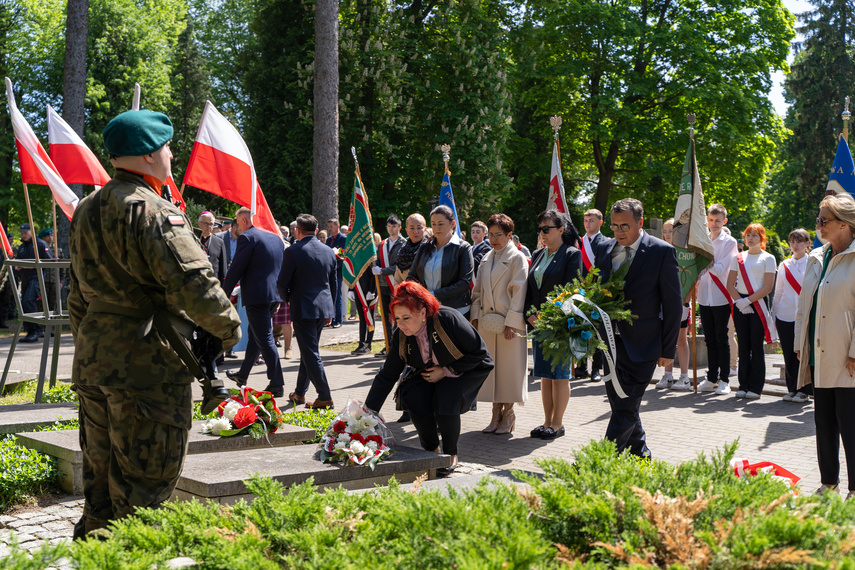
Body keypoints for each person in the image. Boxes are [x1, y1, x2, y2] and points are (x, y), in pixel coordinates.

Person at [67, 109, 241, 539]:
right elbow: (195, 286)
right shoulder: (154, 210)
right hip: (146, 366)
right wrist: (228, 332)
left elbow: (76, 295)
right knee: (143, 493)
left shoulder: (86, 209)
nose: (170, 154)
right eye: (165, 147)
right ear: (147, 156)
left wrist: (94, 344)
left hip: (94, 360)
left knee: (100, 490)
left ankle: (95, 556)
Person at [365, 281, 494, 476]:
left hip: (465, 367)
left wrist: (446, 370)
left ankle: (450, 454)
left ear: (423, 312)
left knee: (446, 396)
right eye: (397, 318)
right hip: (428, 371)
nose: (401, 324)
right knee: (413, 395)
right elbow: (388, 374)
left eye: (406, 317)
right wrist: (368, 412)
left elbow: (480, 354)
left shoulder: (448, 318)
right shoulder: (401, 334)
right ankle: (432, 450)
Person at [592, 198, 682, 458]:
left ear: (640, 223)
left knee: (626, 408)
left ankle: (599, 464)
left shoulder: (661, 252)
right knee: (622, 406)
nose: (619, 232)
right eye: (614, 226)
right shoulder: (604, 249)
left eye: (625, 226)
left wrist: (668, 349)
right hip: (609, 345)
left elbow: (673, 305)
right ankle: (640, 456)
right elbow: (596, 292)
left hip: (643, 344)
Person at [794, 194, 855, 497]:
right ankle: (828, 483)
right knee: (824, 423)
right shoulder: (818, 257)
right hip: (818, 354)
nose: (818, 225)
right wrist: (798, 343)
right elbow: (804, 305)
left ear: (844, 224)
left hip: (847, 357)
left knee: (851, 426)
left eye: (824, 220)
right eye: (818, 219)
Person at [524, 210, 582, 440]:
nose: (542, 233)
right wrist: (530, 314)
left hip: (559, 325)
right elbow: (529, 289)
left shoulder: (571, 254)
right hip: (537, 325)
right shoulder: (538, 254)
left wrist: (548, 317)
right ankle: (547, 421)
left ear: (561, 230)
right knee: (545, 376)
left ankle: (557, 424)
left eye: (546, 229)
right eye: (540, 229)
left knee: (559, 375)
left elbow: (570, 291)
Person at [471, 214, 528, 435]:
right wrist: (475, 317)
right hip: (487, 323)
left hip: (508, 324)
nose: (494, 239)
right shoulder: (486, 258)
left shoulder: (517, 258)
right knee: (492, 370)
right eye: (491, 234)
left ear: (509, 235)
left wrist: (513, 323)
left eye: (499, 235)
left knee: (508, 371)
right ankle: (495, 414)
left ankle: (509, 414)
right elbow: (477, 292)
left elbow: (519, 291)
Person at [223, 207, 286, 397]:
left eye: (237, 222)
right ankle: (242, 376)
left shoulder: (247, 237)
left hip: (257, 296)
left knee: (265, 337)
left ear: (243, 221)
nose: (236, 228)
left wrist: (223, 293)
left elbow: (237, 268)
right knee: (255, 335)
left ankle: (277, 382)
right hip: (273, 295)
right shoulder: (275, 238)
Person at [279, 214, 337, 409]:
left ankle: (325, 396)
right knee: (308, 350)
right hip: (322, 308)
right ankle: (300, 393)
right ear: (316, 228)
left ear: (298, 230)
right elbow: (333, 284)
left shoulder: (293, 251)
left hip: (303, 307)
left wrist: (287, 299)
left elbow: (282, 282)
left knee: (310, 352)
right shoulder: (328, 251)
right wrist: (331, 309)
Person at [686, 204, 738, 394]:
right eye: (711, 220)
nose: (714, 224)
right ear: (706, 220)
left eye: (717, 221)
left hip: (721, 296)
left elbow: (721, 268)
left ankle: (724, 379)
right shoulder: (702, 240)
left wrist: (703, 259)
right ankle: (711, 377)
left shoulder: (729, 242)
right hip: (704, 296)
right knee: (709, 339)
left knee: (721, 338)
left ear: (724, 221)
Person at [726, 223, 777, 400]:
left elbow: (768, 287)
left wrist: (748, 301)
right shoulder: (738, 257)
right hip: (740, 304)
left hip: (758, 304)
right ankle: (743, 384)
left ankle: (756, 387)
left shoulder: (768, 258)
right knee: (744, 346)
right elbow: (730, 284)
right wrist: (740, 302)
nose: (750, 238)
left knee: (756, 346)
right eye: (748, 235)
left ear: (762, 238)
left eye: (755, 235)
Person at [408, 205, 474, 315]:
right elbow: (412, 275)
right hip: (428, 307)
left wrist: (433, 294)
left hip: (456, 310)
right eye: (433, 224)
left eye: (440, 224)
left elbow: (464, 282)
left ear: (452, 224)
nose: (436, 228)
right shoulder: (424, 247)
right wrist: (417, 293)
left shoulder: (463, 248)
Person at [773, 228, 812, 404]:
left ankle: (805, 390)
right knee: (788, 353)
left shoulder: (812, 263)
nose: (795, 245)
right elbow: (778, 291)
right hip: (785, 314)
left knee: (803, 353)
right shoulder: (784, 265)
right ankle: (792, 389)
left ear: (807, 243)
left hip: (804, 315)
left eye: (799, 241)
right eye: (792, 241)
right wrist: (774, 313)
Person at [655, 218, 691, 389]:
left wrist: (686, 303)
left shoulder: (685, 253)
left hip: (680, 302)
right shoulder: (659, 250)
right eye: (665, 231)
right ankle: (667, 375)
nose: (668, 234)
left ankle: (684, 376)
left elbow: (690, 279)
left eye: (671, 231)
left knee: (681, 340)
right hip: (663, 303)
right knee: (666, 338)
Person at [576, 208, 606, 381]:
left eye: (592, 220)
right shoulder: (578, 242)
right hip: (580, 291)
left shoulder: (606, 242)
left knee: (596, 332)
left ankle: (595, 369)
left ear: (600, 222)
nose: (588, 223)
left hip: (597, 292)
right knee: (579, 329)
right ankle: (580, 368)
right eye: (586, 220)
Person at [372, 214, 407, 358]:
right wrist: (376, 267)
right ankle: (388, 343)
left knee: (398, 317)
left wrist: (382, 271)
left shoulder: (404, 243)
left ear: (399, 227)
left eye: (394, 226)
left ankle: (398, 345)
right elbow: (379, 260)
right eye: (389, 226)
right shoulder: (383, 244)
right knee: (387, 316)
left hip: (397, 284)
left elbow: (399, 265)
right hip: (383, 285)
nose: (391, 229)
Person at [17, 222, 53, 342]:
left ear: (32, 232)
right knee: (24, 303)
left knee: (28, 301)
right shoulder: (22, 247)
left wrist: (30, 266)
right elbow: (18, 261)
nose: (23, 235)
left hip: (36, 278)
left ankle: (37, 330)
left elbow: (50, 261)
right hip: (25, 279)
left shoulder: (40, 244)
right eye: (22, 233)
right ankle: (30, 331)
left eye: (25, 233)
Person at [326, 218, 347, 328]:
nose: (329, 229)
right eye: (328, 227)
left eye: (331, 227)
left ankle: (338, 319)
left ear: (337, 226)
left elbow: (343, 257)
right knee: (330, 294)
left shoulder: (343, 239)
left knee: (337, 294)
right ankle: (331, 317)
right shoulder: (329, 240)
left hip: (338, 271)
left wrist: (334, 267)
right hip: (329, 271)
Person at [394, 213, 427, 283]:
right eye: (412, 228)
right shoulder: (402, 251)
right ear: (407, 230)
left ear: (425, 229)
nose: (415, 231)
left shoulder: (430, 249)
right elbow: (397, 282)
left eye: (419, 228)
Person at [197, 212, 227, 284]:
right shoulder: (193, 239)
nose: (209, 227)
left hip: (213, 283)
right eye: (206, 224)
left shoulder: (219, 242)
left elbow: (223, 268)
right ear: (199, 223)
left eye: (211, 224)